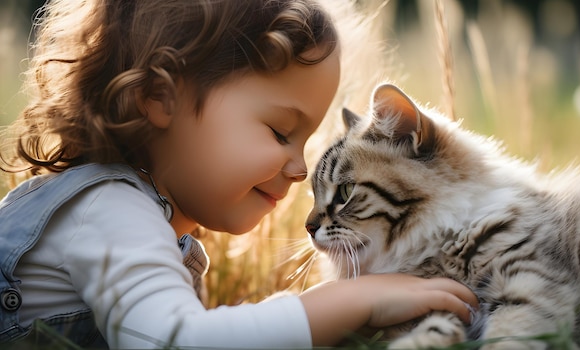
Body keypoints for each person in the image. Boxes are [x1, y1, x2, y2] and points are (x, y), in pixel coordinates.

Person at [0, 0, 478, 348]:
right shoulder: (108, 212)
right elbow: (174, 342)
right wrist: (357, 299)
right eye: (279, 131)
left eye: (306, 141)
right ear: (159, 98)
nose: (299, 169)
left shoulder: (160, 234)